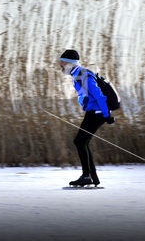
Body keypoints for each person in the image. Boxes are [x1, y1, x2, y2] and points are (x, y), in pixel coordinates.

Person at [58, 49, 115, 187]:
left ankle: (87, 176)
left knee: (80, 141)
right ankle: (91, 177)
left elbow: (100, 96)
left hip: (98, 113)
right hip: (93, 112)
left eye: (62, 62)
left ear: (70, 63)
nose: (60, 65)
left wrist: (107, 115)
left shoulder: (83, 75)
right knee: (82, 142)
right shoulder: (77, 74)